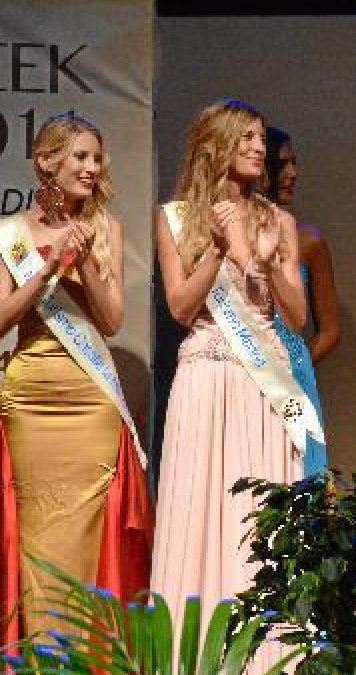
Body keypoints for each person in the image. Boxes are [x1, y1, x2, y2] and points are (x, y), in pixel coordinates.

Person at [151, 99, 321, 672]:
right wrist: (220, 249)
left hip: (265, 384)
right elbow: (179, 306)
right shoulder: (176, 217)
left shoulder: (281, 221)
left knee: (261, 523)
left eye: (258, 138)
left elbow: (297, 318)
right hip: (205, 378)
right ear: (215, 144)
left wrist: (271, 265)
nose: (257, 146)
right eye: (245, 137)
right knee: (201, 513)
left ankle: (272, 660)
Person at [0, 112, 152, 640]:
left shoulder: (105, 228)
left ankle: (82, 652)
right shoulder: (12, 234)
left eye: (96, 157)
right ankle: (38, 649)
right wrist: (46, 269)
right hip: (30, 399)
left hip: (89, 399)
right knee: (37, 531)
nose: (92, 167)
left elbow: (110, 321)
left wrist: (85, 263)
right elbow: (0, 320)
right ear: (46, 161)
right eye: (80, 156)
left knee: (87, 533)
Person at [262, 126, 341, 475]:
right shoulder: (224, 232)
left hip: (291, 379)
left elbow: (329, 332)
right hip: (241, 368)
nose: (293, 174)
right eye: (282, 165)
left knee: (297, 473)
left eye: (295, 163)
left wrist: (296, 366)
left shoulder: (308, 242)